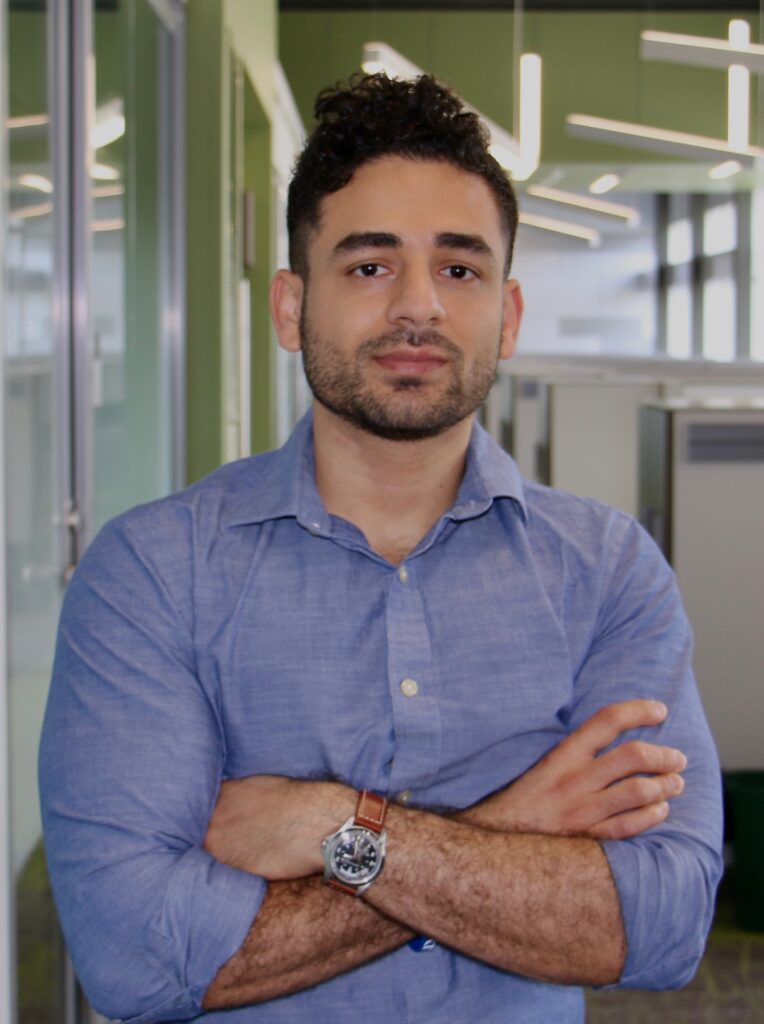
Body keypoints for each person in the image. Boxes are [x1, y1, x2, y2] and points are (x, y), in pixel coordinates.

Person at [39, 74, 722, 1023]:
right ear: (290, 307)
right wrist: (517, 826)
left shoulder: (607, 573)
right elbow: (135, 955)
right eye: (368, 266)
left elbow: (663, 924)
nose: (418, 308)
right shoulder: (153, 575)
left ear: (508, 315)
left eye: (459, 268)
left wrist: (330, 827)